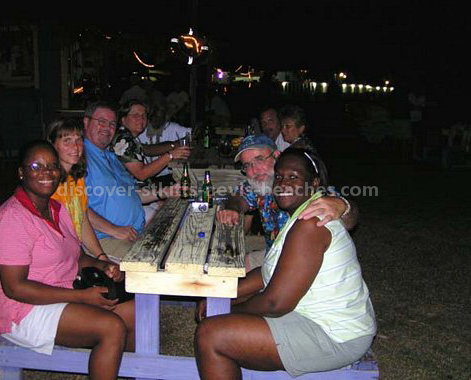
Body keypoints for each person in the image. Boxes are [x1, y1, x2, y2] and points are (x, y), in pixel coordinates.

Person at [195, 147, 376, 378]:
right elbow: (266, 273)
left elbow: (276, 303)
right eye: (279, 177)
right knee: (230, 312)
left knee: (210, 334)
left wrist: (227, 311)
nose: (282, 183)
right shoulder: (298, 216)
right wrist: (219, 296)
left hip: (336, 334)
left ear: (313, 184)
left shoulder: (311, 223)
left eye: (293, 177)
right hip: (315, 318)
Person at [0, 140, 135, 379]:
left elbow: (77, 256)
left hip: (63, 291)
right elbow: (15, 288)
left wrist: (103, 265)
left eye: (53, 166)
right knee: (111, 326)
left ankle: (122, 368)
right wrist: (82, 297)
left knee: (133, 312)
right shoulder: (11, 219)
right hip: (23, 311)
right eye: (37, 165)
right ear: (21, 173)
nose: (47, 172)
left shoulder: (57, 209)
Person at [217, 134, 358, 270]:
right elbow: (237, 196)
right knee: (226, 270)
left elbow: (349, 218)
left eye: (260, 159)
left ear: (277, 156)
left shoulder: (303, 187)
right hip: (272, 256)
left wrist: (343, 206)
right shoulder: (260, 186)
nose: (254, 170)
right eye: (247, 165)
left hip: (305, 267)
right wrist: (233, 208)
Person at [83, 101, 179, 260]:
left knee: (179, 241)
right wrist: (114, 230)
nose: (107, 128)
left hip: (135, 232)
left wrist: (166, 192)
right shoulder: (80, 157)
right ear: (86, 122)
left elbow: (132, 193)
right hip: (106, 238)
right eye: (101, 122)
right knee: (160, 263)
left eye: (112, 123)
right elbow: (76, 208)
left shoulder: (111, 157)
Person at [46, 116, 110, 261]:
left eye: (78, 140)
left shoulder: (76, 178)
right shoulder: (48, 184)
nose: (75, 147)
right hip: (59, 256)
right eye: (67, 140)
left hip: (77, 250)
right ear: (53, 145)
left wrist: (101, 256)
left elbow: (83, 220)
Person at [137, 99, 192, 187]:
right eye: (154, 116)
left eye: (160, 116)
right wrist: (173, 145)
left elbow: (194, 134)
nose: (157, 120)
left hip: (168, 177)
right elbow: (145, 149)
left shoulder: (173, 128)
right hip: (145, 178)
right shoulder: (140, 129)